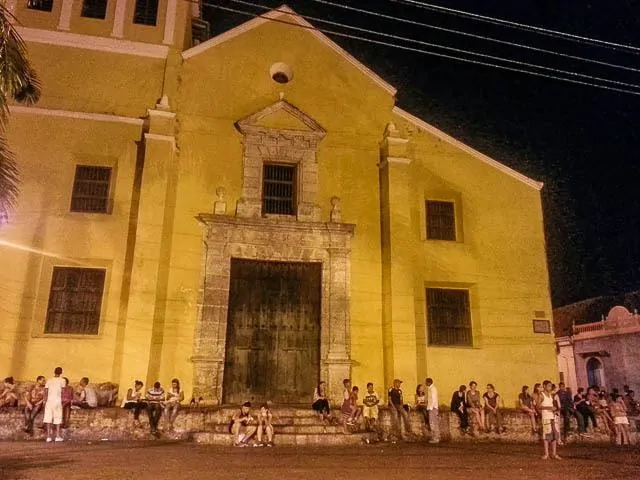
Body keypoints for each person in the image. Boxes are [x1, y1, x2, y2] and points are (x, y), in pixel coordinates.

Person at [43, 367, 66, 442]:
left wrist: (44, 400)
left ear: (54, 372)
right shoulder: (62, 380)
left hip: (49, 401)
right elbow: (63, 391)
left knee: (48, 418)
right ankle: (57, 436)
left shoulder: (49, 380)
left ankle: (48, 437)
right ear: (61, 372)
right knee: (57, 418)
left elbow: (46, 391)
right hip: (57, 401)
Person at [539, 380, 561, 460]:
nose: (550, 387)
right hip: (546, 416)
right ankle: (546, 454)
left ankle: (554, 453)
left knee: (555, 435)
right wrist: (548, 408)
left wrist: (555, 409)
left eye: (551, 386)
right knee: (546, 435)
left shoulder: (552, 395)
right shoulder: (541, 395)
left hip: (553, 416)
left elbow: (555, 404)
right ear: (544, 386)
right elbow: (538, 406)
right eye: (548, 386)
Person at [426, 377, 440, 443]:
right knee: (433, 423)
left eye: (426, 382)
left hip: (433, 408)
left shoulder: (432, 389)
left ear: (429, 382)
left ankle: (436, 438)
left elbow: (433, 399)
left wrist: (430, 408)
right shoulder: (431, 389)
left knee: (433, 423)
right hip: (432, 408)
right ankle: (435, 437)